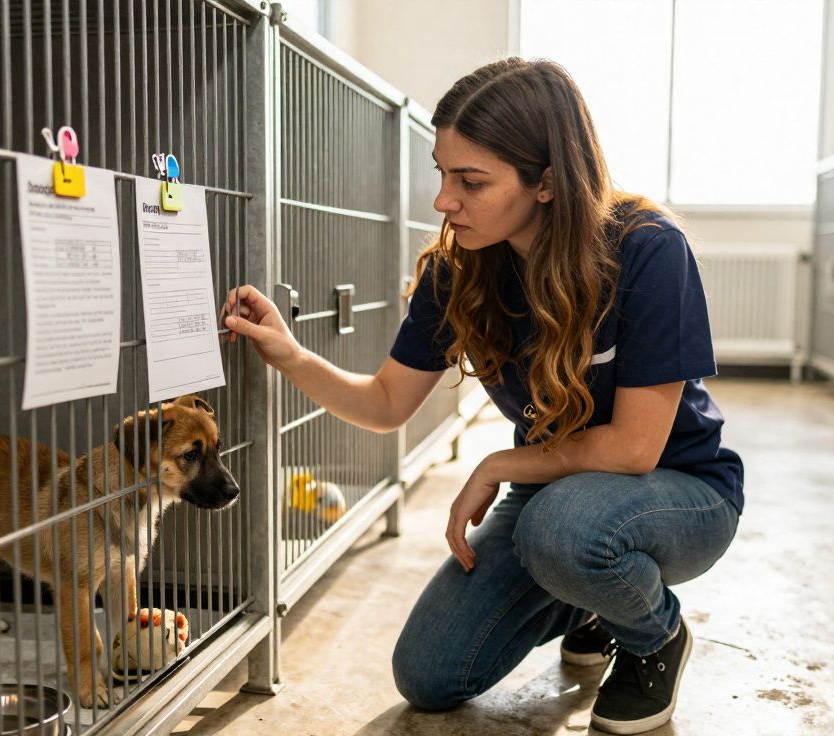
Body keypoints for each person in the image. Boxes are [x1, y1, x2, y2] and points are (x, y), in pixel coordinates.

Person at [221, 57, 743, 735]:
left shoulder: (646, 249)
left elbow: (634, 448)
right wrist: (290, 355)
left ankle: (655, 638)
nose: (444, 200)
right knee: (430, 675)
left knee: (562, 530)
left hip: (679, 490)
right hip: (558, 494)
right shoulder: (458, 269)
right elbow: (384, 404)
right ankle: (588, 596)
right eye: (442, 173)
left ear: (548, 182)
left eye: (471, 181)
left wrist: (497, 465)